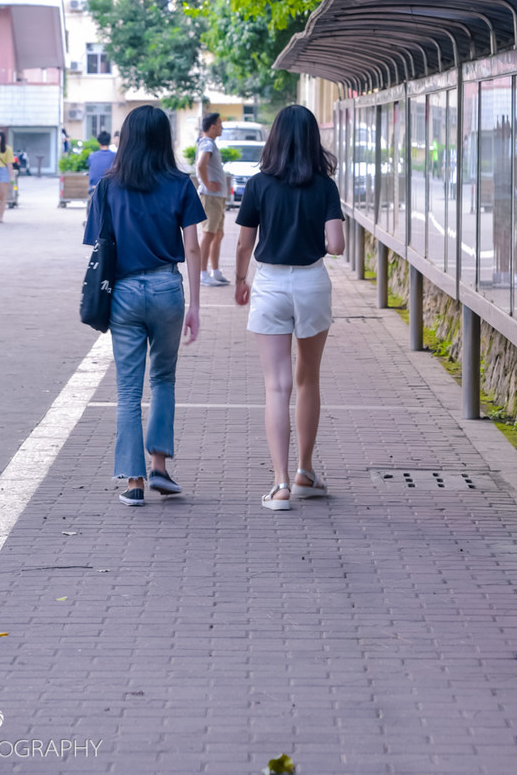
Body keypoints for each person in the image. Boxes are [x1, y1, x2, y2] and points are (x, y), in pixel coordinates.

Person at [83, 104, 202, 505]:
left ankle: (134, 484)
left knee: (128, 391)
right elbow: (193, 247)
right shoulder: (181, 184)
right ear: (163, 139)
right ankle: (160, 469)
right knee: (163, 379)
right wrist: (196, 305)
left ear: (127, 139)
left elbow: (99, 245)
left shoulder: (108, 186)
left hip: (125, 293)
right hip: (168, 288)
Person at [234, 104, 345, 510]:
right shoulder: (325, 186)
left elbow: (245, 242)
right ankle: (305, 472)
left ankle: (279, 486)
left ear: (275, 137)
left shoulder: (259, 184)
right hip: (312, 282)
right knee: (307, 380)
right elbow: (336, 245)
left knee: (275, 386)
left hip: (271, 283)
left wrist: (241, 280)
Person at [196, 112, 229, 287]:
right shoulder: (207, 143)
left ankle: (215, 271)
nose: (221, 127)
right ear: (213, 126)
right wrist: (207, 184)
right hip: (211, 197)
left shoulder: (210, 143)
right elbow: (201, 165)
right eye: (220, 123)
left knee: (218, 234)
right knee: (209, 234)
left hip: (217, 197)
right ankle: (203, 273)